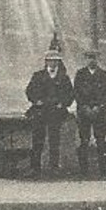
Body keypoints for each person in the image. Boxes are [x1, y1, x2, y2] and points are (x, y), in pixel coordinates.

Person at [24, 49, 74, 177]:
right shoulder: (38, 75)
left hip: (56, 112)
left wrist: (63, 103)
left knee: (54, 139)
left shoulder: (64, 77)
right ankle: (35, 167)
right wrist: (36, 101)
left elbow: (70, 94)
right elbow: (29, 91)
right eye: (50, 60)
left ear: (58, 62)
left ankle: (54, 166)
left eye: (55, 60)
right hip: (41, 111)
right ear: (46, 62)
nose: (52, 63)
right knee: (37, 140)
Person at [73, 49, 106, 178]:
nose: (92, 60)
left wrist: (98, 107)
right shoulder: (80, 74)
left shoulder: (104, 75)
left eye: (94, 58)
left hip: (100, 112)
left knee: (101, 139)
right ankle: (84, 170)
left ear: (98, 59)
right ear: (85, 59)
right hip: (84, 112)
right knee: (84, 140)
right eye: (89, 57)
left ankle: (104, 169)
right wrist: (84, 107)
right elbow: (76, 93)